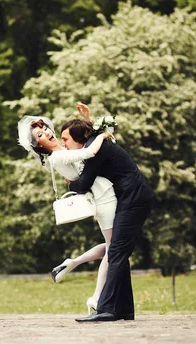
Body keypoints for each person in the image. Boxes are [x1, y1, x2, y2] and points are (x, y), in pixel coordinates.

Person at [17, 113, 117, 314]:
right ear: (39, 145)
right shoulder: (57, 157)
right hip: (103, 197)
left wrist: (87, 121)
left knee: (112, 246)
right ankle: (96, 297)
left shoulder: (62, 151)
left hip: (102, 194)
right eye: (40, 134)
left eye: (45, 128)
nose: (47, 132)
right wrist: (103, 135)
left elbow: (81, 149)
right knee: (114, 249)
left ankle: (73, 263)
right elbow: (89, 153)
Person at [61, 118, 155, 322]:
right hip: (131, 198)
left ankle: (106, 309)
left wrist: (70, 185)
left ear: (79, 139)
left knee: (116, 252)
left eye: (65, 139)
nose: (64, 144)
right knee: (118, 253)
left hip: (134, 199)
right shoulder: (96, 143)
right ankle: (124, 310)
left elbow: (84, 184)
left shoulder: (98, 150)